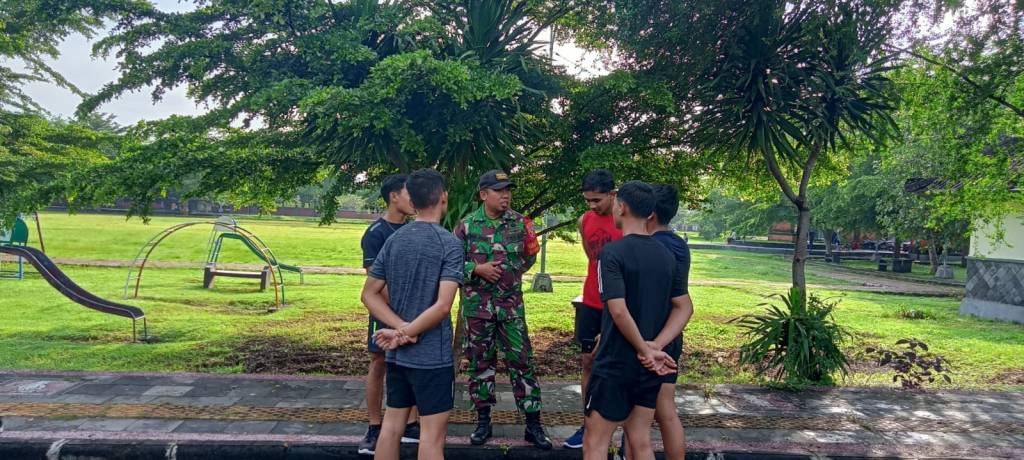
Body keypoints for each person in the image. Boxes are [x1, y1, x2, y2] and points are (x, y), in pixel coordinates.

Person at [582, 181, 692, 460]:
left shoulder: (612, 253)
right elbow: (684, 307)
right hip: (649, 367)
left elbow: (618, 311)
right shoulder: (667, 254)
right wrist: (656, 347)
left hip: (616, 362)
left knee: (595, 441)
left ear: (622, 207)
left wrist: (644, 350)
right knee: (640, 440)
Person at [361, 169, 464, 460]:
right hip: (433, 358)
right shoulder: (449, 244)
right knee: (431, 438)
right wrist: (407, 331)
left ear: (414, 201)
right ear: (443, 197)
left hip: (397, 355)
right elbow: (443, 306)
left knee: (391, 427)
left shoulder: (394, 240)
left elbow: (368, 294)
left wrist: (400, 329)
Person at [454, 170, 552, 450]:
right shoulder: (466, 226)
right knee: (480, 365)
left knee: (522, 363)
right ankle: (483, 421)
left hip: (510, 308)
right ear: (483, 194)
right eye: (499, 190)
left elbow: (530, 255)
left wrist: (511, 272)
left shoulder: (521, 223)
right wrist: (477, 269)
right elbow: (451, 262)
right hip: (478, 310)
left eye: (508, 190)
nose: (505, 195)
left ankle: (533, 425)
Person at [620, 184, 694, 460]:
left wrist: (650, 346)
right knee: (665, 411)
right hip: (669, 338)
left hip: (645, 340)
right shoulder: (679, 245)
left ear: (649, 213)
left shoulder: (650, 247)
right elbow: (682, 303)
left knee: (636, 423)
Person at [358, 174, 419, 455]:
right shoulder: (376, 233)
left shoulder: (415, 229)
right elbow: (375, 283)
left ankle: (411, 422)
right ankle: (374, 426)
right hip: (386, 310)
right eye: (409, 194)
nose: (414, 199)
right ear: (393, 197)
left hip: (413, 311)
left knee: (412, 361)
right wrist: (397, 312)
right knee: (380, 361)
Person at [564, 169, 622, 449]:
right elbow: (592, 257)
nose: (592, 205)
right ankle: (587, 425)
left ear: (613, 194)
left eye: (597, 200)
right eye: (587, 200)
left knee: (620, 364)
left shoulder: (627, 220)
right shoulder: (584, 220)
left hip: (620, 304)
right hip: (591, 302)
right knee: (588, 362)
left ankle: (626, 431)